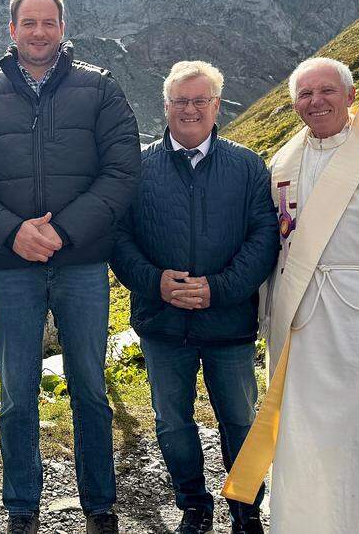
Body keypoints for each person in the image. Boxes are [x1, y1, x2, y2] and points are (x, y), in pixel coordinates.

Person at [221, 57, 359, 533]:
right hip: (301, 324)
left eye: (326, 91)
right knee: (303, 436)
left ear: (350, 96)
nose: (315, 101)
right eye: (304, 95)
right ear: (294, 103)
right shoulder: (285, 159)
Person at [0, 0, 141, 534]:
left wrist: (63, 232)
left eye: (48, 23)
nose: (38, 32)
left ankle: (100, 503)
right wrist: (13, 234)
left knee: (90, 385)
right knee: (15, 394)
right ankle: (22, 507)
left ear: (62, 27)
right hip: (11, 267)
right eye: (27, 23)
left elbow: (122, 170)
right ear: (12, 30)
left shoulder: (100, 88)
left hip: (81, 261)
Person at [111, 61, 277, 534]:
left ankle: (245, 506)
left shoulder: (246, 165)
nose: (189, 109)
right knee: (172, 423)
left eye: (199, 101)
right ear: (165, 107)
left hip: (229, 323)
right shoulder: (137, 168)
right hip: (163, 323)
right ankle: (194, 505)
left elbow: (264, 236)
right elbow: (119, 238)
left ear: (216, 106)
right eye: (180, 101)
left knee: (242, 421)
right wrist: (155, 282)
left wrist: (219, 288)